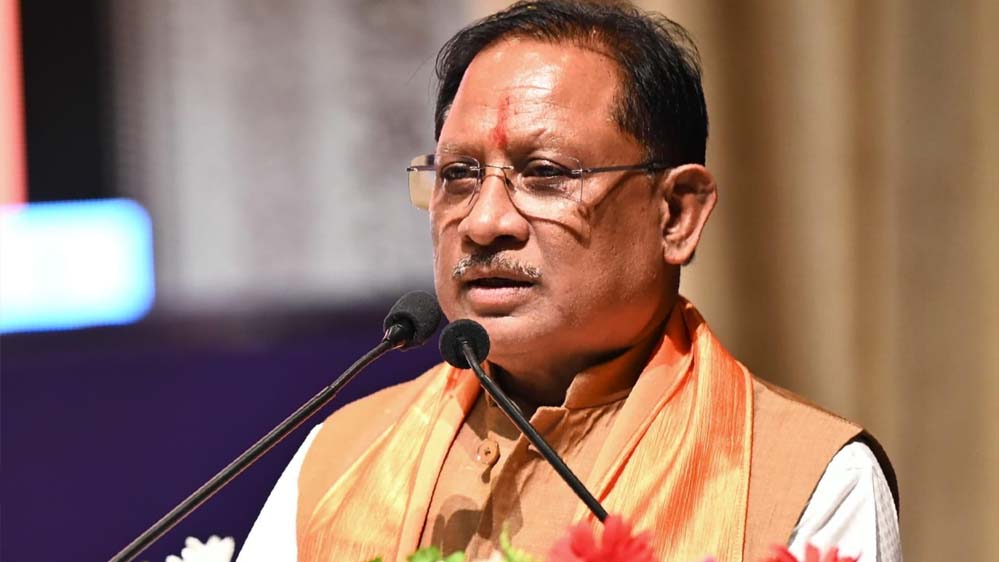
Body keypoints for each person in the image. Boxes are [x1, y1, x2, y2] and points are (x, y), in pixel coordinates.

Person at [237, 2, 900, 561]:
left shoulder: (806, 479)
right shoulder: (337, 463)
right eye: (459, 175)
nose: (484, 222)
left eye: (546, 174)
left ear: (676, 214)